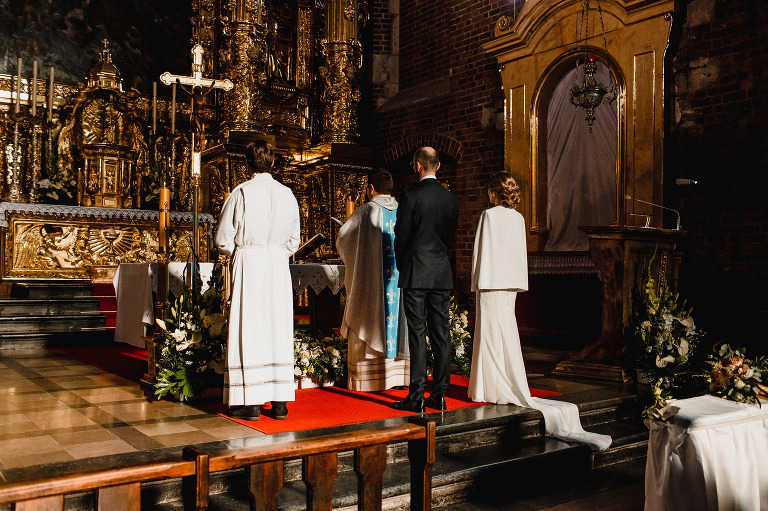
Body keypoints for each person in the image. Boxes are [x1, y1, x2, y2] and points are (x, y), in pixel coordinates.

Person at [468, 172, 611, 450]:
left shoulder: (489, 216)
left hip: (489, 282)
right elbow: (518, 253)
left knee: (488, 332)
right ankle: (496, 384)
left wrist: (476, 281)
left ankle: (489, 386)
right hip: (509, 283)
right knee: (506, 330)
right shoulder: (518, 219)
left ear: (494, 192)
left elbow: (480, 252)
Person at [215, 141, 301, 421]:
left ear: (248, 164)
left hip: (249, 263)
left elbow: (222, 239)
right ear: (273, 163)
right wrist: (275, 252)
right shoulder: (287, 194)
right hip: (277, 264)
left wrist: (239, 251)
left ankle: (250, 403)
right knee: (277, 328)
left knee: (249, 327)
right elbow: (293, 241)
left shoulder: (241, 193)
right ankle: (279, 403)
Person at [393, 147, 459, 412]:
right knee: (441, 334)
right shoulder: (450, 199)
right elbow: (449, 236)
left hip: (416, 272)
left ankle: (416, 395)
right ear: (438, 166)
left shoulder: (410, 196)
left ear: (417, 165)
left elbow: (402, 236)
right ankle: (440, 394)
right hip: (441, 272)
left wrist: (403, 264)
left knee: (418, 334)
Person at [337, 169, 409, 391]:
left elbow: (343, 239)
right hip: (397, 281)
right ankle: (397, 377)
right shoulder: (403, 210)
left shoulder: (366, 210)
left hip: (371, 283)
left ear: (371, 188)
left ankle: (369, 380)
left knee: (367, 311)